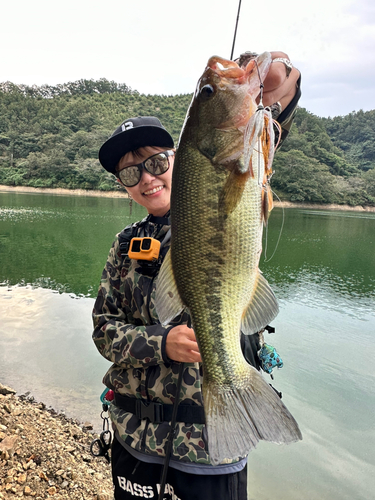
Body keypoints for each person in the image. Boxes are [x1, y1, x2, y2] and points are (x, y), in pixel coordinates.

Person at [92, 51, 301, 500]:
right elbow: (103, 331)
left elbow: (274, 108)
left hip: (209, 452)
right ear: (124, 186)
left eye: (154, 163)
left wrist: (274, 87)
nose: (146, 179)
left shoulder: (240, 162)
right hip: (134, 443)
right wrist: (160, 342)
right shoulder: (123, 245)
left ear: (176, 157)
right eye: (130, 173)